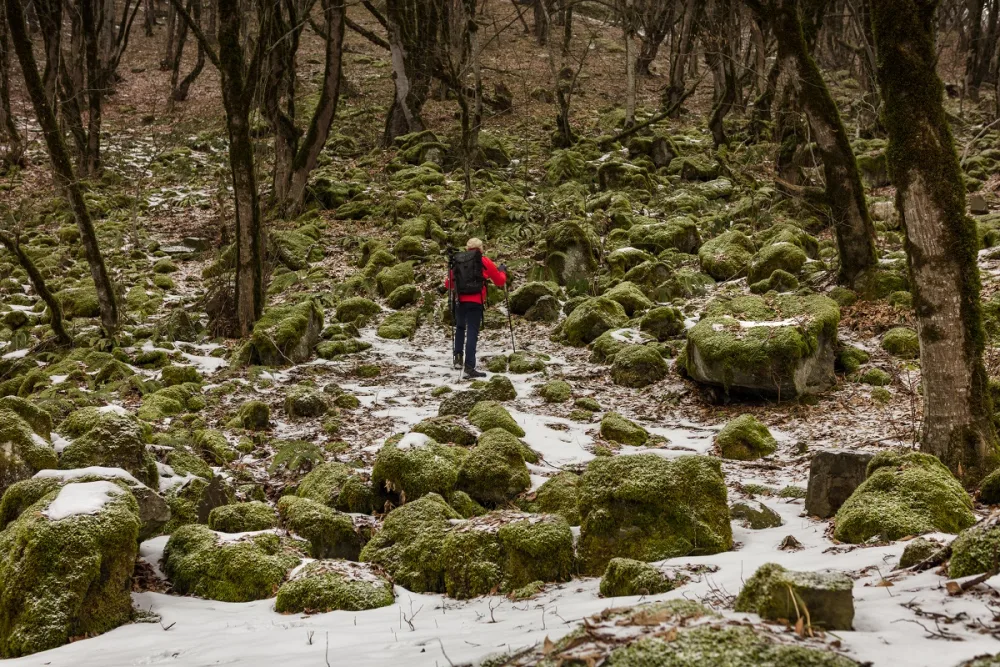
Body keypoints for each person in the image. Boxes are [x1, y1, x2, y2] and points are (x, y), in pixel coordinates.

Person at [445, 238, 507, 378]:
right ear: (481, 248)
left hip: (459, 301)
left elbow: (448, 284)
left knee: (460, 327)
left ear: (467, 248)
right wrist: (502, 271)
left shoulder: (458, 261)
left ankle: (458, 357)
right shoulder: (483, 261)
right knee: (472, 332)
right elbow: (499, 281)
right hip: (476, 301)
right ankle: (469, 366)